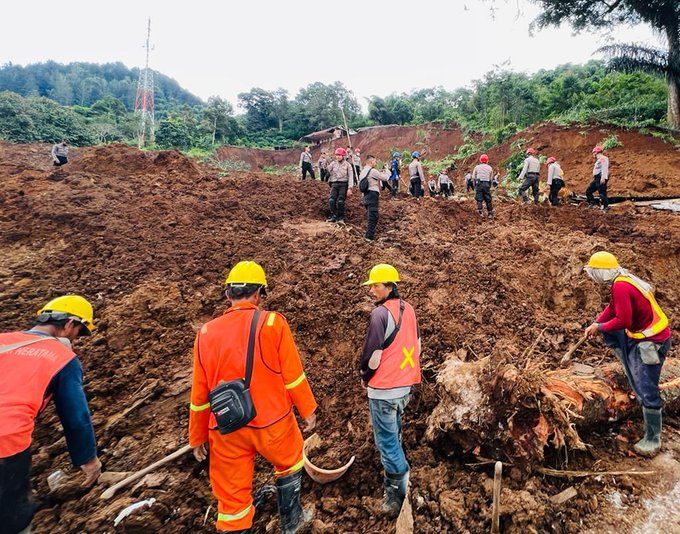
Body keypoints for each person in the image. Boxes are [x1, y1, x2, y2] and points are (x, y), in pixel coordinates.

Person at [189, 261, 318, 533]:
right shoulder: (272, 323)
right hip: (272, 421)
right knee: (290, 461)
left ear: (228, 295)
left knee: (232, 498)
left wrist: (197, 436)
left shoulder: (205, 334)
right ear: (259, 294)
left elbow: (199, 394)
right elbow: (293, 375)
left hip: (226, 427)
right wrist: (307, 410)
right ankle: (291, 523)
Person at [0, 295, 101, 534]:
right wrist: (88, 460)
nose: (77, 339)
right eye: (79, 331)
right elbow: (76, 417)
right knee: (12, 518)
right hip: (6, 441)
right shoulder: (62, 357)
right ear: (69, 325)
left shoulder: (3, 341)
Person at [583, 251, 671, 457]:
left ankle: (652, 439)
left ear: (601, 273)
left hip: (652, 342)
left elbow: (623, 320)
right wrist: (597, 323)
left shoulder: (621, 286)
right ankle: (634, 373)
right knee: (639, 379)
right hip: (649, 337)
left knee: (646, 387)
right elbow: (613, 308)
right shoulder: (621, 280)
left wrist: (601, 328)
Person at [359, 264, 421, 517]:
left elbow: (372, 356)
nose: (372, 290)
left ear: (390, 286)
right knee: (394, 433)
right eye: (371, 286)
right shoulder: (409, 309)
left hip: (384, 389)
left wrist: (365, 376)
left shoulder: (380, 315)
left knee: (386, 441)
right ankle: (401, 477)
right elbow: (416, 346)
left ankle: (397, 494)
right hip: (405, 386)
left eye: (376, 285)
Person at [359, 155, 391, 242]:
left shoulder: (362, 172)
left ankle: (369, 235)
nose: (375, 163)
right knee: (373, 217)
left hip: (365, 196)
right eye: (375, 162)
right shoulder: (372, 171)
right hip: (372, 195)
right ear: (371, 162)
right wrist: (387, 170)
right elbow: (385, 178)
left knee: (371, 216)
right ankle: (368, 237)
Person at [326, 148, 354, 223]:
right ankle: (333, 215)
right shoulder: (333, 163)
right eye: (336, 155)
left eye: (339, 155)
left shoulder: (348, 165)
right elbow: (327, 169)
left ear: (343, 156)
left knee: (341, 201)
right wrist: (326, 165)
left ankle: (340, 217)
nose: (338, 157)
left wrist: (350, 188)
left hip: (343, 184)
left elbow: (351, 176)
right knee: (332, 200)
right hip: (334, 183)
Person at [586, 146, 610, 211]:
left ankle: (605, 207)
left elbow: (604, 168)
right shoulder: (599, 160)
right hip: (597, 178)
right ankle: (592, 204)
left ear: (596, 152)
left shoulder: (603, 158)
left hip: (600, 177)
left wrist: (603, 177)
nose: (593, 154)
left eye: (593, 153)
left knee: (602, 192)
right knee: (588, 191)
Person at [473, 154, 494, 219]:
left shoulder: (477, 167)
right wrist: (489, 186)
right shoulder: (490, 168)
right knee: (488, 199)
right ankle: (490, 213)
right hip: (486, 184)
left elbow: (473, 177)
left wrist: (474, 186)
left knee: (479, 199)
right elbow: (491, 178)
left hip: (479, 184)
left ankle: (480, 213)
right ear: (487, 161)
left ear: (480, 160)